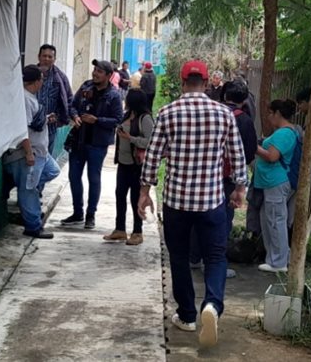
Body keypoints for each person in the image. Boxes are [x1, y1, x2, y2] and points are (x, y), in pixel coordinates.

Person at [138, 60, 247, 348]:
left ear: (183, 81)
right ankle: (211, 305)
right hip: (211, 201)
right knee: (215, 256)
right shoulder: (224, 114)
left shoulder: (168, 113)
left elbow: (152, 157)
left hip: (176, 202)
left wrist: (145, 192)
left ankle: (186, 315)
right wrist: (239, 189)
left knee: (179, 257)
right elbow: (237, 156)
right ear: (209, 82)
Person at [190, 80, 257, 277]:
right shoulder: (243, 120)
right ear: (244, 99)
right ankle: (215, 263)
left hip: (204, 175)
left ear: (223, 95)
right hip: (228, 179)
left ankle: (194, 257)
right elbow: (250, 152)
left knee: (199, 217)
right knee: (222, 222)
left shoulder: (211, 113)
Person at [61, 60, 123, 229]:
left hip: (98, 144)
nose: (95, 73)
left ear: (109, 76)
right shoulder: (85, 87)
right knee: (74, 176)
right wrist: (75, 116)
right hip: (78, 140)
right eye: (95, 70)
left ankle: (91, 214)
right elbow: (72, 105)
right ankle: (77, 212)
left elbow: (118, 120)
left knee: (93, 178)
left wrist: (97, 120)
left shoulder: (114, 95)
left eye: (100, 71)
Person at [2, 65, 58, 239]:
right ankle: (33, 226)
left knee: (52, 171)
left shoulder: (30, 98)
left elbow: (33, 122)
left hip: (40, 152)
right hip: (29, 153)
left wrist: (46, 119)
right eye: (41, 79)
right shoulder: (24, 100)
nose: (43, 81)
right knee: (29, 189)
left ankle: (17, 183)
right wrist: (28, 153)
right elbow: (22, 130)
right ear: (36, 81)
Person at [253, 99, 299, 273]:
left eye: (271, 113)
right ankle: (274, 258)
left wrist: (255, 147)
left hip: (277, 181)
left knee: (275, 220)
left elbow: (272, 156)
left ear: (278, 113)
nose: (269, 117)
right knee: (270, 219)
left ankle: (279, 261)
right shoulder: (285, 132)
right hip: (272, 181)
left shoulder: (284, 133)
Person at [104, 89, 154, 245]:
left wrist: (130, 138)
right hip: (123, 162)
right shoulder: (128, 115)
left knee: (135, 198)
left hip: (136, 165)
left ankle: (137, 232)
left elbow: (150, 142)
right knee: (120, 195)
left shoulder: (145, 119)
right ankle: (120, 229)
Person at [36, 44, 74, 155]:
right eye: (44, 56)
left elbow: (69, 99)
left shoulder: (60, 78)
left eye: (50, 57)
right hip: (31, 127)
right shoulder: (30, 74)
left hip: (50, 128)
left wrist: (60, 116)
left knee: (46, 159)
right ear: (39, 57)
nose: (47, 59)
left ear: (54, 59)